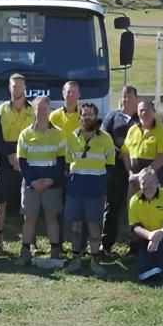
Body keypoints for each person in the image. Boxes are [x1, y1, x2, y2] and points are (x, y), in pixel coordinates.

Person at [63, 102, 116, 275]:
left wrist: (100, 183)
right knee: (76, 226)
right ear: (79, 117)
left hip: (95, 191)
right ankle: (76, 259)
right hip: (76, 190)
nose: (87, 118)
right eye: (84, 115)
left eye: (90, 115)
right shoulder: (72, 137)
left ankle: (95, 260)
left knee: (94, 226)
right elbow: (67, 163)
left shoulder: (106, 138)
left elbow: (110, 165)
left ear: (96, 116)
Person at [14, 96, 66, 266]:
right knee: (29, 218)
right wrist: (33, 181)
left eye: (45, 109)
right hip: (31, 185)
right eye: (39, 110)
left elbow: (61, 162)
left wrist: (50, 180)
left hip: (52, 184)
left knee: (52, 218)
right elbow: (22, 161)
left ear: (49, 111)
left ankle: (55, 252)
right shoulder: (25, 134)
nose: (42, 113)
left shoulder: (58, 134)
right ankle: (25, 252)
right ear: (34, 111)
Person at [0, 74, 34, 254]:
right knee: (1, 201)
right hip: (6, 159)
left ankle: (29, 243)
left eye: (20, 86)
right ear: (9, 88)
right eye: (14, 86)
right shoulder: (0, 110)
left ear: (25, 88)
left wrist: (21, 158)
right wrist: (9, 157)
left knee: (29, 203)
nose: (17, 89)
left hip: (28, 158)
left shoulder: (34, 110)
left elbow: (37, 135)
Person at [100, 85, 139, 256]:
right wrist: (119, 151)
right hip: (115, 169)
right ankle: (106, 244)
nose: (125, 100)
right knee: (112, 207)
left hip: (136, 170)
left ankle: (135, 247)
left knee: (135, 209)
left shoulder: (141, 118)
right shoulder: (112, 116)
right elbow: (103, 139)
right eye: (123, 97)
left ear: (136, 100)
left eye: (129, 97)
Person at [128, 167, 163, 286]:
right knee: (144, 277)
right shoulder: (134, 200)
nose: (148, 186)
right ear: (139, 184)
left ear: (157, 182)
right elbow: (134, 227)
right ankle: (155, 267)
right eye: (144, 183)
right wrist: (150, 236)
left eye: (151, 182)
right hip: (147, 239)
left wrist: (158, 236)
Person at [120, 100, 163, 194]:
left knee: (152, 207)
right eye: (141, 110)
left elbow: (161, 158)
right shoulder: (132, 130)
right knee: (133, 206)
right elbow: (125, 153)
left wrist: (143, 175)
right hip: (134, 180)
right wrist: (130, 173)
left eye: (147, 110)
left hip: (152, 181)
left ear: (154, 112)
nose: (144, 113)